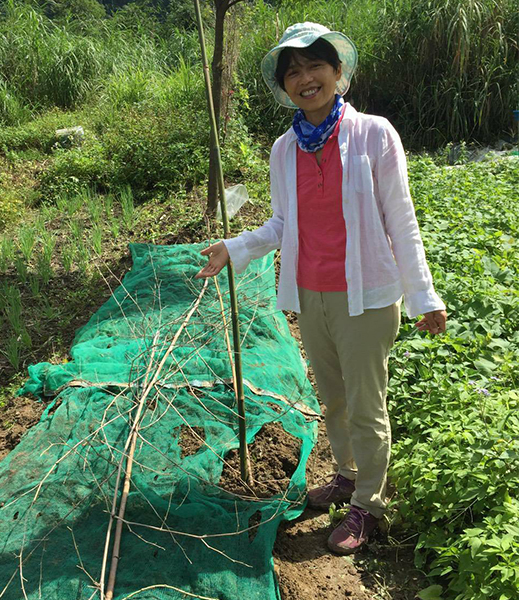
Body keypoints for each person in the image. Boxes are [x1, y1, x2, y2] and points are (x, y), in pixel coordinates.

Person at [195, 22, 447, 554]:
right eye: (293, 72)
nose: (305, 78)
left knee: (364, 404)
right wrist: (233, 247)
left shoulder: (375, 135)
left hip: (368, 297)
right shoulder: (284, 149)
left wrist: (423, 296)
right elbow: (283, 225)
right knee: (332, 401)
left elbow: (400, 220)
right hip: (311, 294)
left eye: (315, 67)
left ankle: (368, 505)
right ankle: (348, 476)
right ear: (284, 86)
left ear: (338, 73)